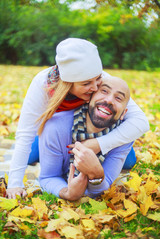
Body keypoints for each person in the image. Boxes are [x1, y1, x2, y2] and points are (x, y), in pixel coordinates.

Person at [6, 38, 149, 199]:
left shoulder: (104, 83)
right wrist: (14, 184)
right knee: (31, 154)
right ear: (68, 83)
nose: (95, 87)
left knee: (128, 161)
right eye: (87, 83)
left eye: (97, 79)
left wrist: (97, 144)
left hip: (99, 131)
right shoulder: (43, 84)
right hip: (59, 134)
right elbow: (25, 133)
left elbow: (141, 122)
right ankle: (55, 153)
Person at [39, 74, 133, 200]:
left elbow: (106, 184)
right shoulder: (55, 127)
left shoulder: (125, 136)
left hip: (114, 141)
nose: (109, 100)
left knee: (130, 161)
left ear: (123, 113)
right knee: (32, 154)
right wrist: (67, 193)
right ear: (89, 97)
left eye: (119, 98)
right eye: (104, 91)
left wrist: (97, 175)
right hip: (50, 136)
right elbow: (48, 177)